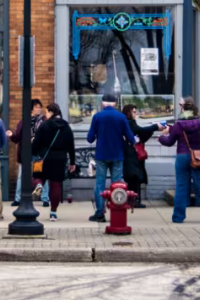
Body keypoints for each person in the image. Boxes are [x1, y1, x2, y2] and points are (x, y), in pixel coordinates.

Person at [157, 97, 200, 223]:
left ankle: (178, 217)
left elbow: (170, 142)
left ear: (183, 109)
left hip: (182, 157)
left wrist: (161, 138)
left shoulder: (178, 125)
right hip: (199, 157)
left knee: (181, 186)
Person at [87, 93, 136, 222]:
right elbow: (130, 137)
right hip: (117, 154)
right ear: (115, 103)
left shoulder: (97, 117)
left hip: (102, 154)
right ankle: (117, 210)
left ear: (103, 103)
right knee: (117, 184)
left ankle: (99, 213)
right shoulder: (121, 117)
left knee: (100, 184)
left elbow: (90, 138)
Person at [33, 103, 76, 221]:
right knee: (56, 185)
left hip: (45, 158)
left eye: (46, 112)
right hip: (60, 158)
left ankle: (39, 185)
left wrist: (35, 152)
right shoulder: (65, 126)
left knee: (37, 176)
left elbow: (36, 142)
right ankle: (53, 213)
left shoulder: (44, 125)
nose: (45, 115)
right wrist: (72, 162)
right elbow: (71, 145)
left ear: (51, 112)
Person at [121, 105, 163, 208]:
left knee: (136, 178)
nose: (136, 114)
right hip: (130, 155)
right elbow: (140, 130)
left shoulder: (132, 123)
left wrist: (152, 130)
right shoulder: (129, 123)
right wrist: (155, 126)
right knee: (133, 178)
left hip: (134, 155)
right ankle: (133, 200)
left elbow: (141, 136)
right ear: (128, 112)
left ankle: (135, 200)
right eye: (134, 112)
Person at [8, 99, 44, 207]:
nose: (39, 109)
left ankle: (45, 198)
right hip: (25, 154)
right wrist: (11, 135)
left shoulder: (44, 122)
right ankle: (17, 198)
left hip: (38, 153)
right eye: (36, 107)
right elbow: (17, 137)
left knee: (41, 175)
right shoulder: (24, 122)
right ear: (31, 109)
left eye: (40, 107)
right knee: (21, 176)